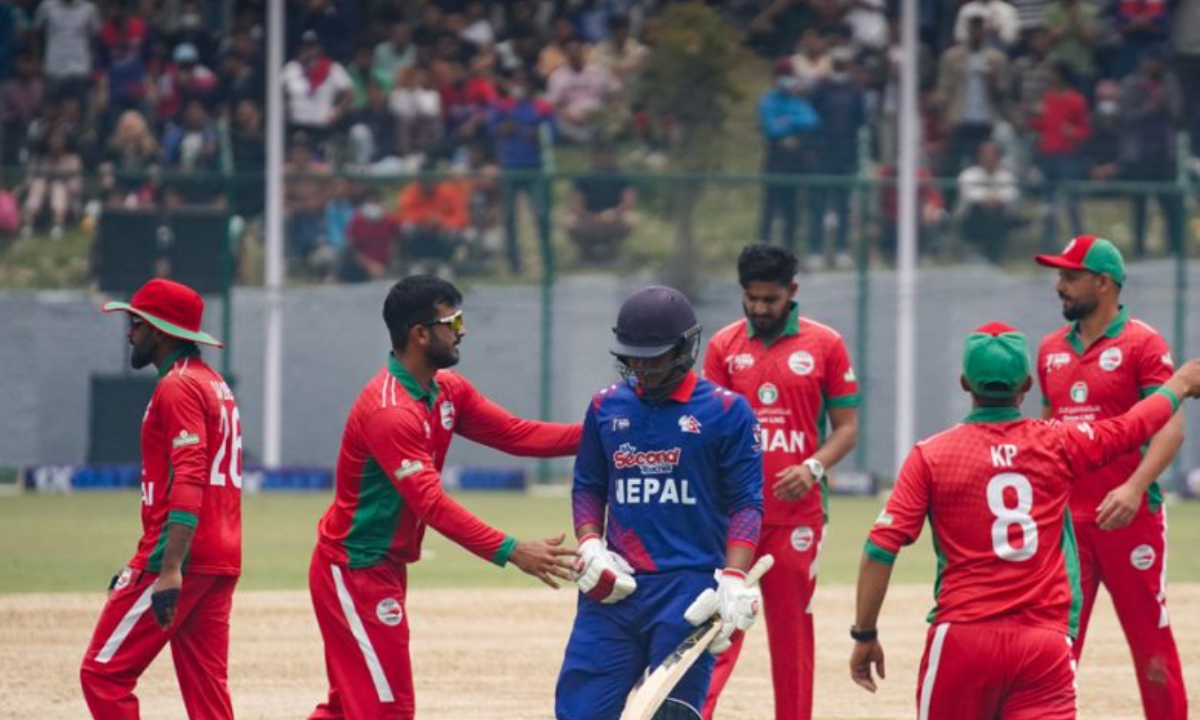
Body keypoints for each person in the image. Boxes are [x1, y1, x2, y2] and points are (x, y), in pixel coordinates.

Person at [850, 322, 1200, 719]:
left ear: (965, 383)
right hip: (1043, 647)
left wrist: (865, 634)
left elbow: (879, 549)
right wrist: (1181, 383)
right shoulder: (1058, 442)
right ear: (1028, 386)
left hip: (962, 640)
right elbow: (1133, 425)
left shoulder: (931, 454)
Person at [308, 275, 581, 720]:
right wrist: (512, 550)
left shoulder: (445, 391)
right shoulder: (390, 412)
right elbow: (431, 504)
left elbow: (516, 434)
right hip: (354, 570)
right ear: (420, 334)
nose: (462, 330)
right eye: (452, 320)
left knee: (349, 709)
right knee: (388, 711)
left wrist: (607, 430)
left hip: (381, 568)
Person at [555, 285, 765, 720]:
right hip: (615, 587)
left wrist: (733, 576)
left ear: (686, 347)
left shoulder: (727, 412)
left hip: (689, 592)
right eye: (632, 357)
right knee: (579, 712)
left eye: (653, 358)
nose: (640, 368)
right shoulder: (605, 406)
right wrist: (591, 544)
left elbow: (747, 501)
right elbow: (589, 486)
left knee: (671, 715)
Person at [701, 244, 860, 720]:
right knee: (720, 631)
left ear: (792, 292)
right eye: (751, 298)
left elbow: (847, 429)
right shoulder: (723, 347)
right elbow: (708, 431)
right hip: (735, 517)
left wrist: (812, 467)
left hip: (799, 518)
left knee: (791, 637)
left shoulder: (825, 344)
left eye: (770, 299)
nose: (759, 309)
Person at [1034, 236, 1189, 719]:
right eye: (1059, 276)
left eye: (1069, 276)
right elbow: (1046, 431)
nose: (1059, 285)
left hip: (1131, 521)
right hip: (1068, 526)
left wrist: (1134, 486)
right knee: (1057, 647)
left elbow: (1172, 429)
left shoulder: (1143, 343)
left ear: (1103, 284)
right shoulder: (1049, 349)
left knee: (1151, 647)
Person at [82, 279, 242, 720]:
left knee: (103, 674)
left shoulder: (177, 387)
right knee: (208, 694)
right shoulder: (214, 384)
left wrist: (168, 566)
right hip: (220, 553)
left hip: (181, 558)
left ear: (161, 330)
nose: (129, 331)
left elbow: (190, 477)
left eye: (135, 321)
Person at [567, 142, 636, 265]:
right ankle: (585, 252)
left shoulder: (622, 177)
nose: (604, 158)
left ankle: (613, 251)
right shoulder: (584, 177)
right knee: (570, 221)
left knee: (630, 218)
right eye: (600, 154)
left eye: (608, 154)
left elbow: (629, 202)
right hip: (588, 217)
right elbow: (575, 203)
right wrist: (588, 215)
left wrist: (611, 213)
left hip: (614, 217)